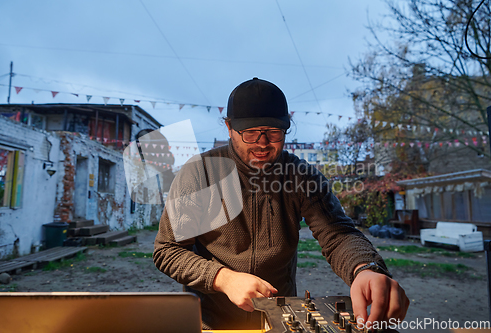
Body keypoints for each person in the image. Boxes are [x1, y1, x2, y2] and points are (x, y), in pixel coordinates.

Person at [153, 77, 409, 330]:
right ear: (229, 128)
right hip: (210, 319)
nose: (263, 143)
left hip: (280, 317)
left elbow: (338, 234)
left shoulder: (301, 175)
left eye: (273, 132)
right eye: (250, 133)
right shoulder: (200, 173)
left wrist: (365, 268)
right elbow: (168, 249)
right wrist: (223, 278)